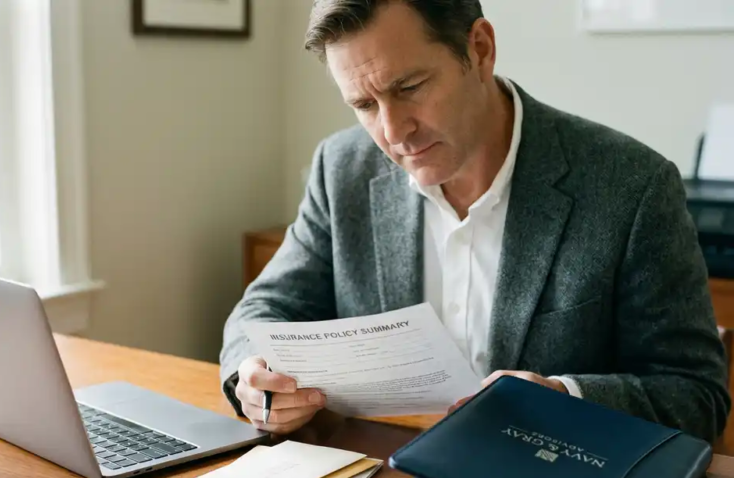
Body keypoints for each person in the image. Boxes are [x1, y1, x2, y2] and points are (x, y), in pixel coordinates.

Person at [220, 0, 730, 441]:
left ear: (480, 50)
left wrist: (564, 398)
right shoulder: (342, 168)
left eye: (410, 87)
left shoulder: (631, 186)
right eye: (363, 104)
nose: (394, 132)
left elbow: (696, 395)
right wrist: (253, 378)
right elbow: (264, 309)